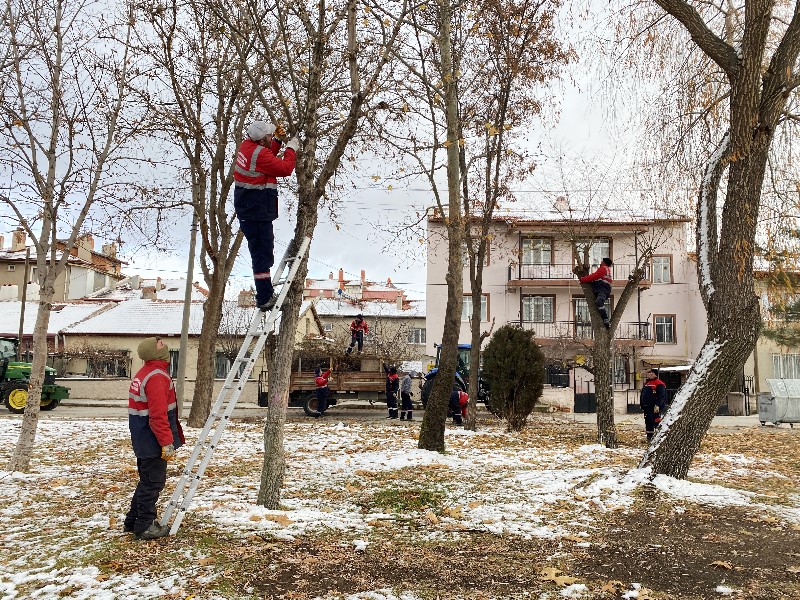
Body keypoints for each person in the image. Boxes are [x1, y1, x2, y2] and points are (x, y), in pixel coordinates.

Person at [234, 120, 300, 310]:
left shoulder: (248, 147)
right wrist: (291, 149)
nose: (271, 137)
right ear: (262, 140)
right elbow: (284, 168)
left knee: (262, 255)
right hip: (256, 212)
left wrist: (278, 140)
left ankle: (266, 294)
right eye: (270, 136)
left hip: (250, 210)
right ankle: (264, 298)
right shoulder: (259, 153)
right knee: (262, 257)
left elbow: (266, 156)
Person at [124, 337, 185, 540]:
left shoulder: (144, 373)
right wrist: (166, 442)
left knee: (146, 481)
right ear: (154, 352)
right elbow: (158, 415)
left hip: (143, 437)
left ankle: (133, 521)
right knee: (153, 483)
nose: (164, 345)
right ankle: (144, 526)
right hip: (152, 440)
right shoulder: (157, 376)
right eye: (160, 344)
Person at [578, 257, 613, 328]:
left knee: (599, 301)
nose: (600, 262)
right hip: (602, 288)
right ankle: (605, 319)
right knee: (598, 302)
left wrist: (582, 279)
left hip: (603, 288)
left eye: (601, 261)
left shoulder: (603, 268)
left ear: (604, 262)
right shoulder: (606, 269)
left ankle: (605, 319)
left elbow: (594, 276)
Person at [640, 369, 667, 442]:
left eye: (651, 373)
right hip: (646, 406)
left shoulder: (659, 383)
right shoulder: (647, 383)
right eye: (649, 373)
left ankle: (659, 437)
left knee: (656, 421)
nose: (650, 374)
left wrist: (658, 405)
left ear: (655, 374)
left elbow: (661, 395)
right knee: (648, 422)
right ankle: (650, 437)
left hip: (654, 407)